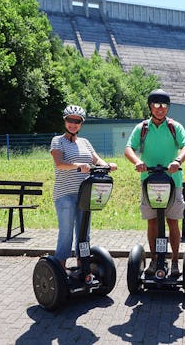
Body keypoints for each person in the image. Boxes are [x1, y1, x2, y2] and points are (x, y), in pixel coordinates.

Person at [125, 89, 185, 277]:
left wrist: (177, 161)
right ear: (150, 106)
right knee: (152, 222)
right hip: (149, 181)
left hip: (173, 181)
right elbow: (129, 148)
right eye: (156, 105)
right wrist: (137, 161)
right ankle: (154, 260)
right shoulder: (142, 128)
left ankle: (176, 261)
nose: (160, 109)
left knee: (173, 222)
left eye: (164, 105)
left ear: (168, 107)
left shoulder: (175, 127)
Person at [51, 105, 117, 270]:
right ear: (65, 121)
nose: (73, 124)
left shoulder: (85, 142)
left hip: (85, 194)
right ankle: (60, 270)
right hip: (65, 194)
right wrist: (78, 166)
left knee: (84, 233)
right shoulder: (58, 141)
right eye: (70, 120)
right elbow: (59, 164)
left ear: (81, 123)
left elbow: (96, 160)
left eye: (77, 121)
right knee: (66, 233)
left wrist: (108, 165)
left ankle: (83, 267)